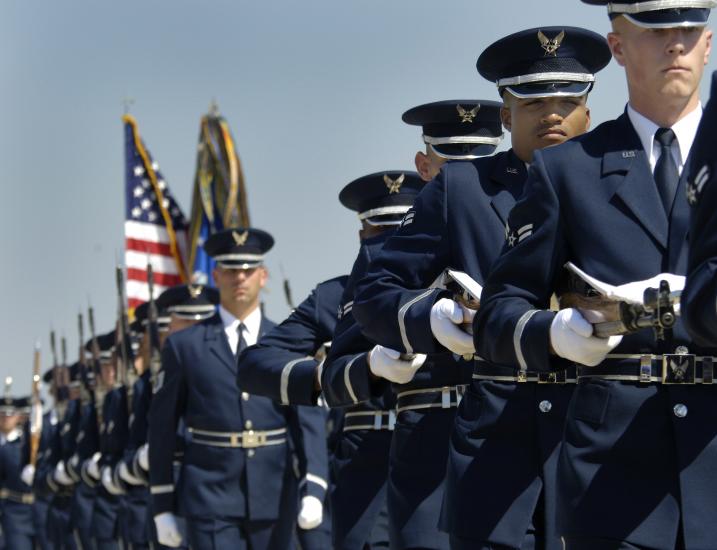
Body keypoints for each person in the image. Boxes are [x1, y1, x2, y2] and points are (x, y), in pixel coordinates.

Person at [351, 27, 609, 549]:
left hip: (602, 437)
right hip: (495, 443)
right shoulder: (462, 189)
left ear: (589, 110)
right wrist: (434, 318)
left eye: (567, 99)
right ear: (505, 114)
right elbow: (375, 293)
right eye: (533, 99)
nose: (552, 113)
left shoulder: (622, 182)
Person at [475, 3, 714, 548]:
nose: (674, 44)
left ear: (707, 43)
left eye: (688, 29)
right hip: (615, 474)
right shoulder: (568, 170)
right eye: (655, 31)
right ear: (619, 47)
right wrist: (555, 335)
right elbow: (498, 312)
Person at [322, 100, 503, 550]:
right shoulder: (386, 254)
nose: (465, 175)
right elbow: (335, 375)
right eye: (450, 161)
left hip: (510, 430)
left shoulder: (526, 220)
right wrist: (377, 363)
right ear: (424, 166)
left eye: (480, 158)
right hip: (430, 438)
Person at [148, 227, 313, 549]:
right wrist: (162, 504)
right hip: (210, 496)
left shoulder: (287, 342)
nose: (240, 278)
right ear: (216, 275)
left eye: (248, 270)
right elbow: (162, 429)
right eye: (231, 270)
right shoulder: (184, 347)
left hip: (274, 491)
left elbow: (306, 423)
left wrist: (314, 487)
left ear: (263, 276)